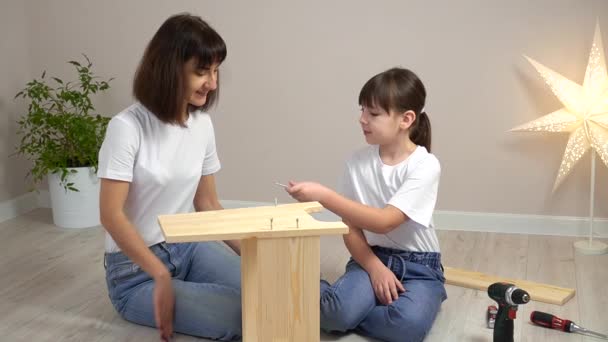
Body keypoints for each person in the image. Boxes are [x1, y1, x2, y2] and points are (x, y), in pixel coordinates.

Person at [98, 13, 242, 342]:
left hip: (187, 248)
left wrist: (252, 254)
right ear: (169, 68)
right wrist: (159, 273)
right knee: (241, 315)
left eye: (216, 70)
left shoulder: (202, 124)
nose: (213, 83)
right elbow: (110, 215)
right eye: (201, 72)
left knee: (269, 291)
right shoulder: (127, 127)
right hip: (134, 274)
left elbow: (207, 203)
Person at [286, 67, 447, 342]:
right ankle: (309, 288)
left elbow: (385, 221)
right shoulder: (356, 163)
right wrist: (374, 267)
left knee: (407, 327)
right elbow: (350, 227)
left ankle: (349, 305)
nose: (362, 119)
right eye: (362, 110)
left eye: (373, 114)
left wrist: (324, 196)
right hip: (370, 256)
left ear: (406, 119)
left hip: (421, 268)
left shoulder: (425, 165)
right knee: (336, 315)